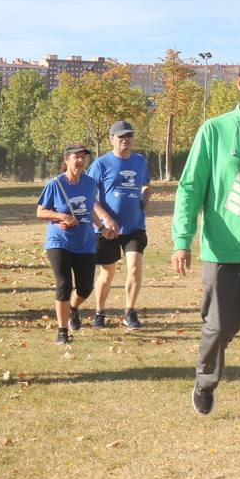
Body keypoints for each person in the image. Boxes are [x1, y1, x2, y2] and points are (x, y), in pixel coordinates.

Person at [175, 57, 240, 416]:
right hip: (225, 250)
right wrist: (181, 239)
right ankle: (205, 381)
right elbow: (190, 188)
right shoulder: (215, 130)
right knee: (220, 328)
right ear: (239, 82)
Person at [37, 145, 117, 346]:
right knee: (64, 285)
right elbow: (40, 212)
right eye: (76, 157)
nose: (80, 161)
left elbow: (89, 208)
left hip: (84, 243)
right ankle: (62, 331)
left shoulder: (90, 183)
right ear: (67, 159)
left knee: (85, 288)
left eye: (83, 158)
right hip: (59, 242)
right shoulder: (55, 184)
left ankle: (73, 308)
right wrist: (61, 216)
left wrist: (101, 228)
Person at [88, 120, 152, 328]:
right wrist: (105, 217)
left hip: (134, 226)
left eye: (129, 136)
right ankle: (99, 312)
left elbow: (144, 185)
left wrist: (146, 195)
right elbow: (88, 195)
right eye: (121, 137)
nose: (126, 140)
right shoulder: (101, 163)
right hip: (109, 229)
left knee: (134, 268)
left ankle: (129, 312)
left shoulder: (140, 161)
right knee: (107, 273)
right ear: (111, 139)